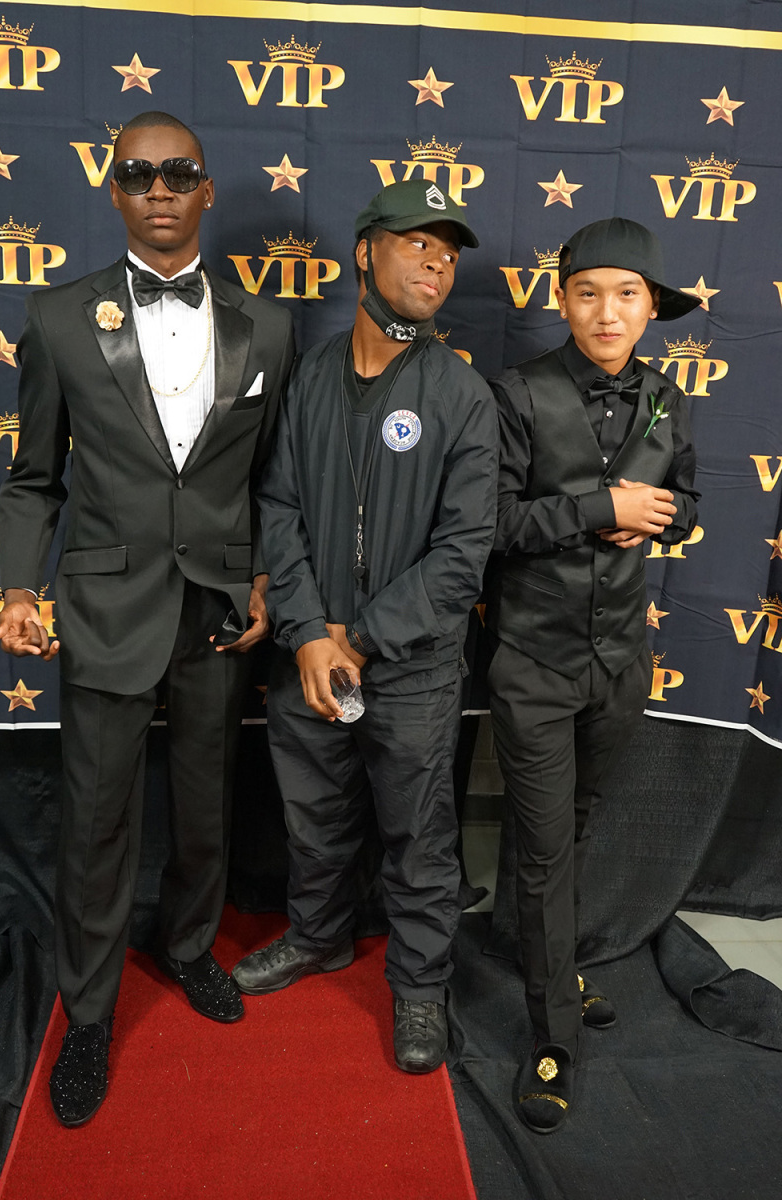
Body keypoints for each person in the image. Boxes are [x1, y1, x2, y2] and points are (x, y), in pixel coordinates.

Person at [0, 111, 294, 1127]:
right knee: (96, 818)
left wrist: (262, 578)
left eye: (177, 173)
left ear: (206, 190)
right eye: (137, 173)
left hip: (218, 606)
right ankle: (88, 1013)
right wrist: (21, 588)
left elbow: (272, 478)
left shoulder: (269, 327)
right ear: (114, 189)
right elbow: (33, 477)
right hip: (105, 604)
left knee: (206, 799)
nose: (158, 188)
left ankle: (188, 947)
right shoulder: (58, 319)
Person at [231, 179, 498, 1074]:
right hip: (308, 657)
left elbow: (463, 555)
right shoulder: (308, 377)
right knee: (313, 818)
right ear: (364, 251)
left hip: (410, 666)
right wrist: (310, 632)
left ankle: (419, 986)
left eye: (447, 252)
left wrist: (359, 639)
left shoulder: (461, 395)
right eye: (417, 241)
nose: (436, 262)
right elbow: (277, 507)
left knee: (418, 835)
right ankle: (319, 936)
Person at [485, 218, 700, 1132]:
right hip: (533, 664)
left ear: (650, 309)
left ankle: (556, 965)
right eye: (588, 293)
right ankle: (552, 1039)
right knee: (542, 847)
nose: (607, 312)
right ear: (563, 302)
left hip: (621, 664)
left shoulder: (668, 396)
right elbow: (492, 525)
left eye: (626, 295)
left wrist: (660, 515)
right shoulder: (517, 393)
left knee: (573, 830)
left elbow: (688, 503)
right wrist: (594, 508)